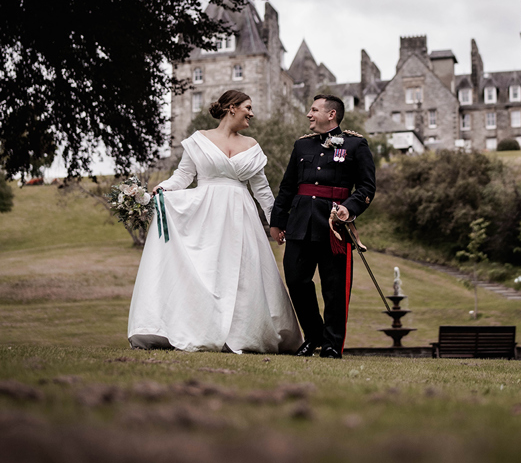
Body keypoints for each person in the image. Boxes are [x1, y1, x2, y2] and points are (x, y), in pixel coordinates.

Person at [127, 90, 302, 353]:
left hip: (240, 218)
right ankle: (198, 328)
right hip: (205, 216)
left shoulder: (252, 146)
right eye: (248, 107)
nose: (251, 114)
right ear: (232, 108)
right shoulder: (199, 140)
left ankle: (243, 334)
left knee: (243, 274)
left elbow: (263, 190)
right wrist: (162, 189)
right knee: (207, 272)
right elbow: (183, 176)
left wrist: (275, 221)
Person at [270, 94, 376, 359]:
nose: (308, 113)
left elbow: (366, 187)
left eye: (314, 109)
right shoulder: (301, 146)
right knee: (295, 279)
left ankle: (331, 344)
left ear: (331, 114)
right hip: (300, 224)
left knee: (335, 288)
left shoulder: (356, 145)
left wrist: (349, 208)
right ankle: (314, 335)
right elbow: (287, 187)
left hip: (334, 229)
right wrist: (277, 221)